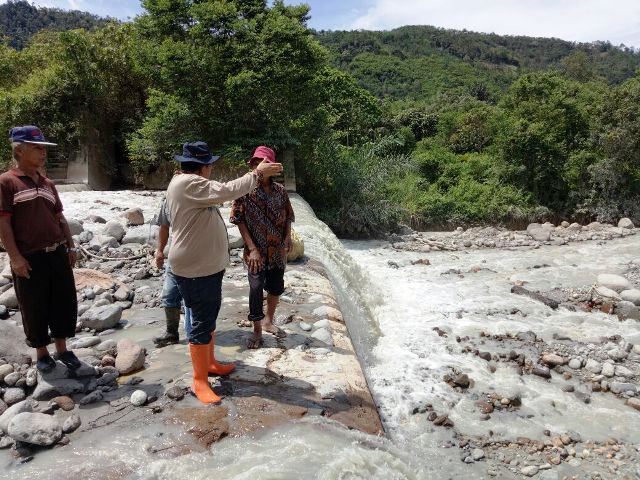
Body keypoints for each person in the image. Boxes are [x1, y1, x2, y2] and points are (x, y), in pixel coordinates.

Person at [166, 141, 282, 404]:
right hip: (196, 268)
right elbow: (229, 190)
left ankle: (210, 364)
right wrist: (257, 174)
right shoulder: (190, 184)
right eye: (210, 166)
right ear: (204, 167)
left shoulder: (187, 183)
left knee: (208, 316)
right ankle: (199, 381)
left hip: (204, 266)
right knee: (201, 321)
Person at [0, 126, 81, 373]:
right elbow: (3, 221)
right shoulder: (6, 182)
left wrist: (71, 245)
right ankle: (42, 352)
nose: (43, 153)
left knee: (64, 300)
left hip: (56, 251)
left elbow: (60, 217)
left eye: (44, 148)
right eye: (38, 148)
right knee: (33, 304)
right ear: (20, 150)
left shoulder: (47, 182)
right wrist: (15, 258)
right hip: (29, 257)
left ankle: (62, 348)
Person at [230, 146, 294, 349]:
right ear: (254, 165)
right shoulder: (244, 190)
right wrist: (252, 248)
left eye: (265, 162)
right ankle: (257, 330)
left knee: (276, 286)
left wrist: (287, 238)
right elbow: (238, 219)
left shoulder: (280, 192)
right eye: (258, 162)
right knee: (256, 287)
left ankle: (269, 320)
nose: (261, 165)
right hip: (255, 250)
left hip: (277, 249)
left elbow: (288, 216)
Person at [152, 198, 191, 347]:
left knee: (195, 297)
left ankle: (199, 335)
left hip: (197, 256)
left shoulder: (199, 195)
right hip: (175, 256)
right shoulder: (168, 200)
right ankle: (172, 332)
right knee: (169, 294)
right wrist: (160, 251)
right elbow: (164, 226)